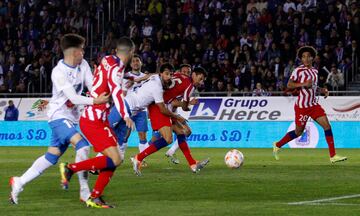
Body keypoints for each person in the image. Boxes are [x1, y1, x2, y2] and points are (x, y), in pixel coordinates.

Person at [9, 34, 109, 205]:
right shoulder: (58, 72)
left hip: (71, 118)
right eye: (82, 49)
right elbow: (74, 97)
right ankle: (85, 193)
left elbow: (92, 86)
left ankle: (19, 181)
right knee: (83, 146)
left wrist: (102, 94)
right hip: (58, 116)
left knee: (51, 156)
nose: (84, 52)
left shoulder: (83, 65)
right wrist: (95, 101)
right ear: (74, 52)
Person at [59, 37, 135, 208]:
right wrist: (125, 115)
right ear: (131, 52)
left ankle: (95, 196)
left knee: (115, 159)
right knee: (116, 158)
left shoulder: (108, 59)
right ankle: (71, 168)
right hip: (94, 120)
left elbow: (107, 82)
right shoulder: (117, 69)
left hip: (97, 119)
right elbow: (115, 91)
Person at [273, 46, 347, 163]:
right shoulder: (298, 70)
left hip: (313, 105)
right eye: (303, 57)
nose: (306, 59)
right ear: (301, 59)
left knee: (327, 126)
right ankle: (277, 145)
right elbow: (289, 85)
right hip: (302, 107)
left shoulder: (315, 71)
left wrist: (322, 90)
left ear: (313, 58)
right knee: (298, 132)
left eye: (308, 56)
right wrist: (303, 84)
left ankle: (333, 156)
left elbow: (313, 87)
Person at [130, 66, 209, 175]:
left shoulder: (179, 76)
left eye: (203, 80)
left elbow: (158, 78)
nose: (201, 82)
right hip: (158, 106)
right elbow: (184, 106)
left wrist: (138, 80)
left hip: (163, 105)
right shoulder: (190, 86)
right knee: (167, 139)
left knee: (181, 132)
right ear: (194, 75)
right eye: (200, 78)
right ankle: (138, 158)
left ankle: (192, 164)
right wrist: (188, 106)